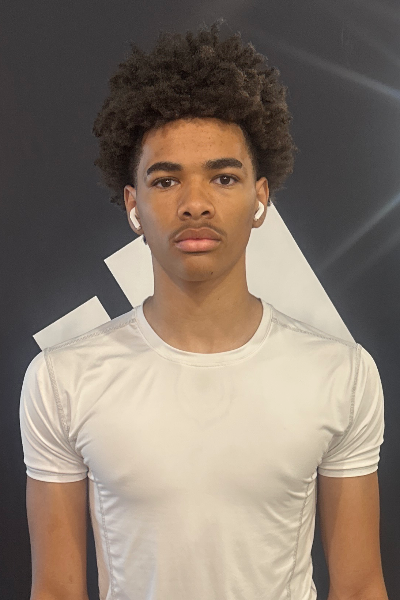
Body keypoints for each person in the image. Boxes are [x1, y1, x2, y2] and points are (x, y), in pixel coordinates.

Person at [20, 20, 387, 600]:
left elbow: (361, 586)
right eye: (166, 181)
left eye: (223, 177)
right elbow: (56, 591)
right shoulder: (62, 381)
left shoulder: (341, 374)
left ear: (260, 198)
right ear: (134, 205)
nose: (195, 203)